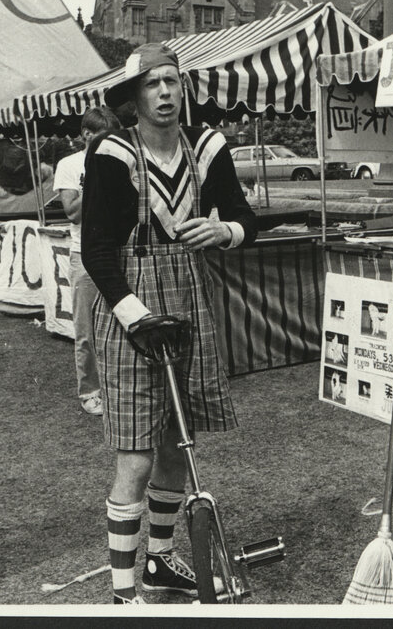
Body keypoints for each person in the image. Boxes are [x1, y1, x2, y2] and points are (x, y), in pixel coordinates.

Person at [81, 43, 257, 604]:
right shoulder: (112, 151)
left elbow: (245, 217)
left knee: (177, 442)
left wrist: (224, 231)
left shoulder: (207, 146)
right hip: (130, 302)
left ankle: (160, 561)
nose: (165, 93)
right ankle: (123, 594)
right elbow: (97, 250)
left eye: (172, 82)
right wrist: (135, 317)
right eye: (153, 84)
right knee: (135, 451)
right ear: (133, 97)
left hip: (188, 296)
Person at [53, 107, 121, 416]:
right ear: (86, 135)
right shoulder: (69, 164)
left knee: (125, 323)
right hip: (85, 255)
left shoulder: (121, 158)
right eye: (105, 138)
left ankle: (122, 386)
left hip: (120, 251)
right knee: (87, 329)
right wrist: (94, 175)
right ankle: (90, 391)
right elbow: (72, 213)